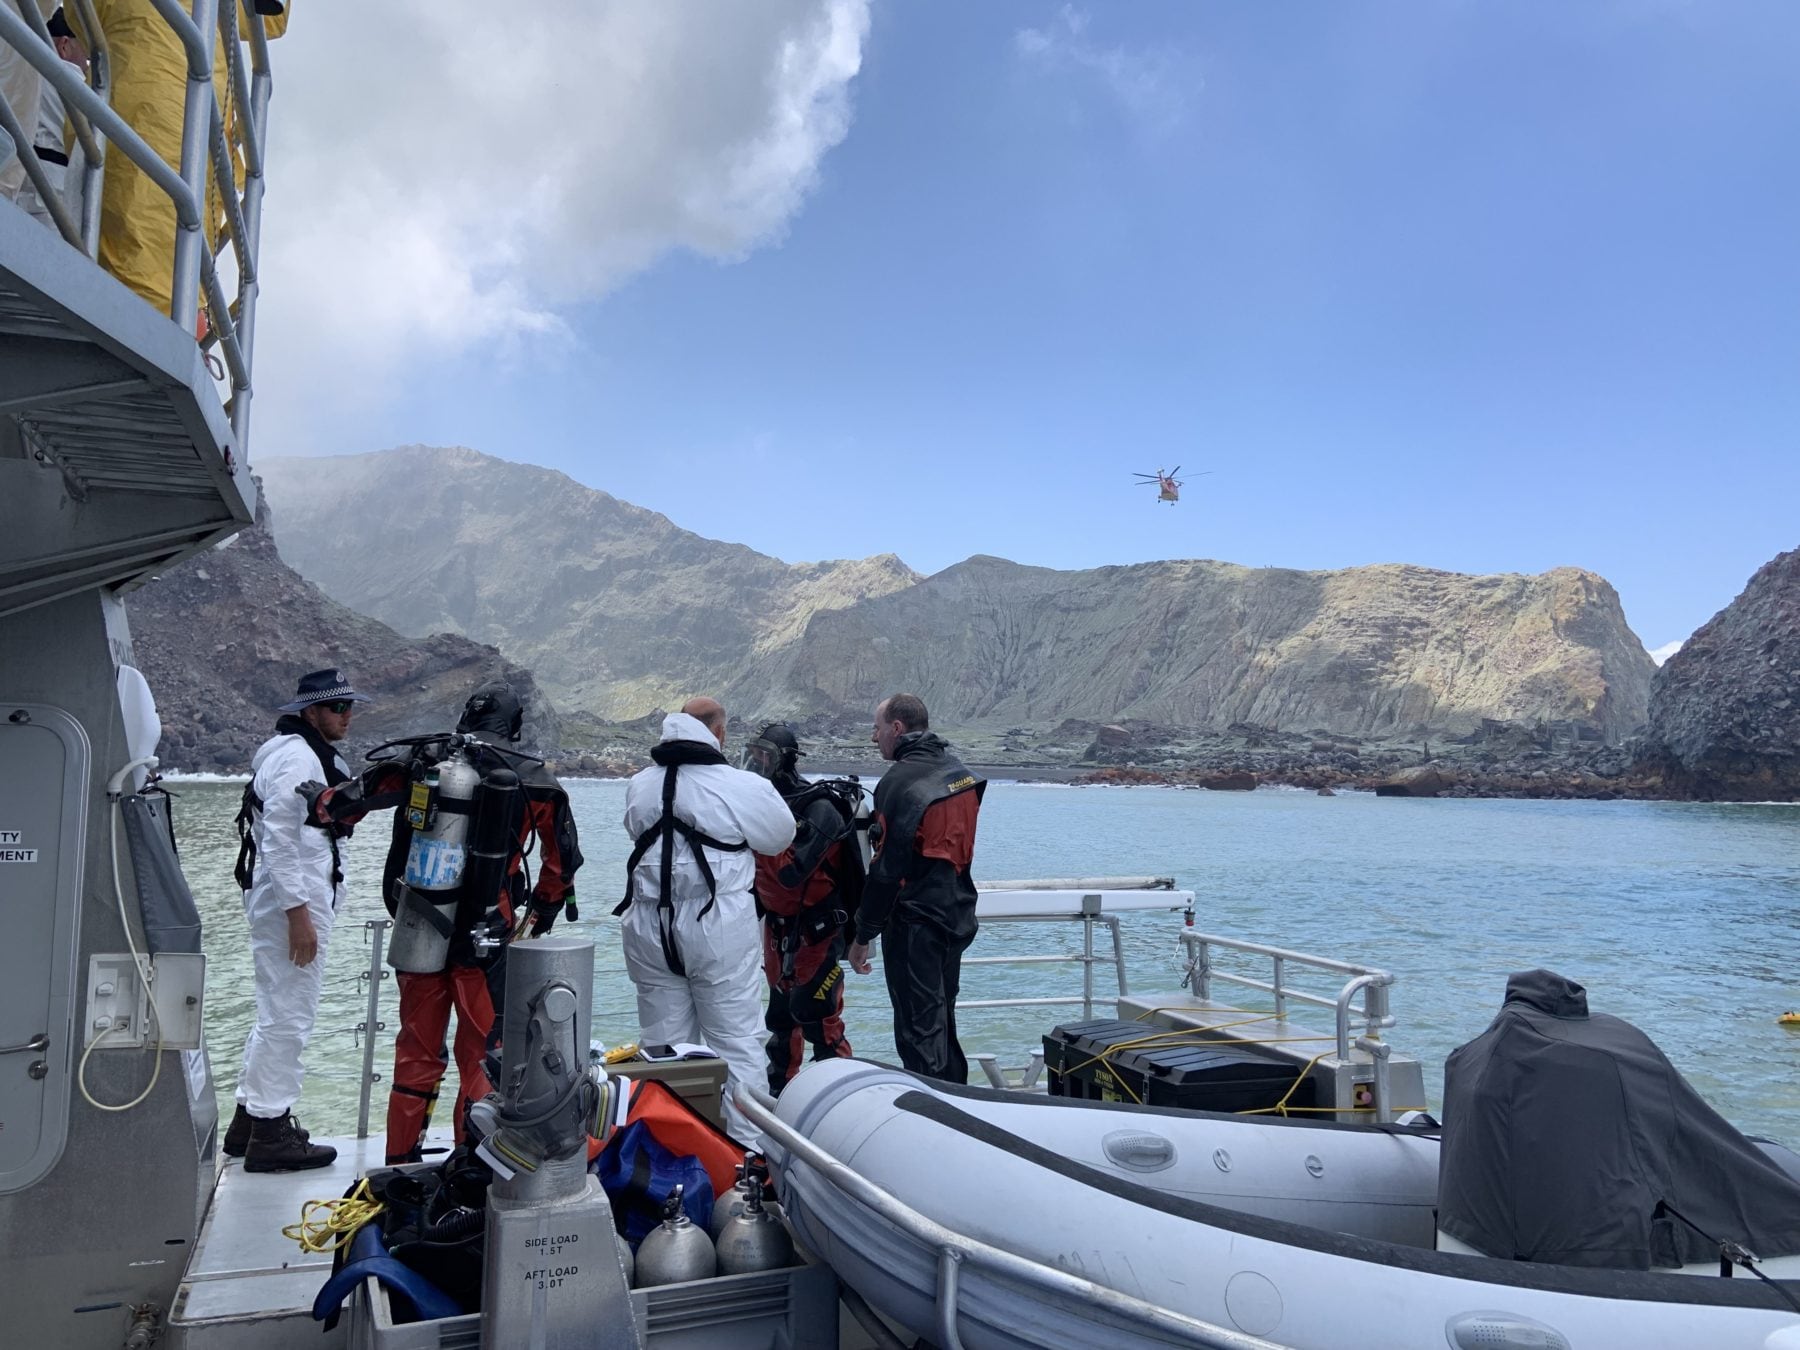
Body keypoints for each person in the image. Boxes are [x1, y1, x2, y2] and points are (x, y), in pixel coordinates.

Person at [303, 680, 583, 1163]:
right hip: (486, 940)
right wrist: (537, 918)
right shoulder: (533, 778)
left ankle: (399, 1161)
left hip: (420, 931)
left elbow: (341, 804)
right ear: (513, 725)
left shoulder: (422, 762)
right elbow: (561, 866)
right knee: (481, 1056)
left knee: (416, 1052)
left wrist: (317, 800)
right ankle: (467, 1167)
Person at [617, 698, 795, 1144]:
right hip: (717, 927)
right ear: (719, 733)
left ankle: (670, 1155)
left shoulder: (639, 784)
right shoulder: (741, 785)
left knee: (662, 1047)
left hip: (648, 927)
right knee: (737, 1044)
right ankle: (746, 1162)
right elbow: (779, 837)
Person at [225, 667, 367, 1171]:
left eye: (350, 706)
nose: (347, 716)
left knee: (276, 1010)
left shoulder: (295, 751)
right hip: (294, 903)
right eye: (338, 707)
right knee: (290, 1015)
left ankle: (248, 1122)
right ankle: (270, 1132)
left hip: (294, 898)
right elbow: (279, 841)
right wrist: (298, 916)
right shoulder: (297, 758)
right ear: (311, 712)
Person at [846, 694, 986, 1084]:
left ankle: (937, 1116)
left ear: (897, 728)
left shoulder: (898, 782)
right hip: (957, 914)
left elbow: (886, 870)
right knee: (943, 1020)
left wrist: (862, 935)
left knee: (919, 1031)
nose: (873, 739)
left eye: (876, 729)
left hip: (915, 923)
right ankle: (961, 1103)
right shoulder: (959, 772)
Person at [741, 723, 863, 1094]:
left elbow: (790, 874)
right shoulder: (766, 807)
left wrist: (748, 845)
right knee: (780, 1021)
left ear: (786, 761)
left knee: (820, 1019)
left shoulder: (820, 808)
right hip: (778, 932)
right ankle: (781, 1101)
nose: (756, 765)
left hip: (817, 931)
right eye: (752, 755)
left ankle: (843, 1102)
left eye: (765, 757)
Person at [12, 9, 87, 233]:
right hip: (56, 190)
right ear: (65, 45)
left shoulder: (22, 70)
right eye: (84, 50)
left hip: (18, 177)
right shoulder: (75, 82)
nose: (87, 60)